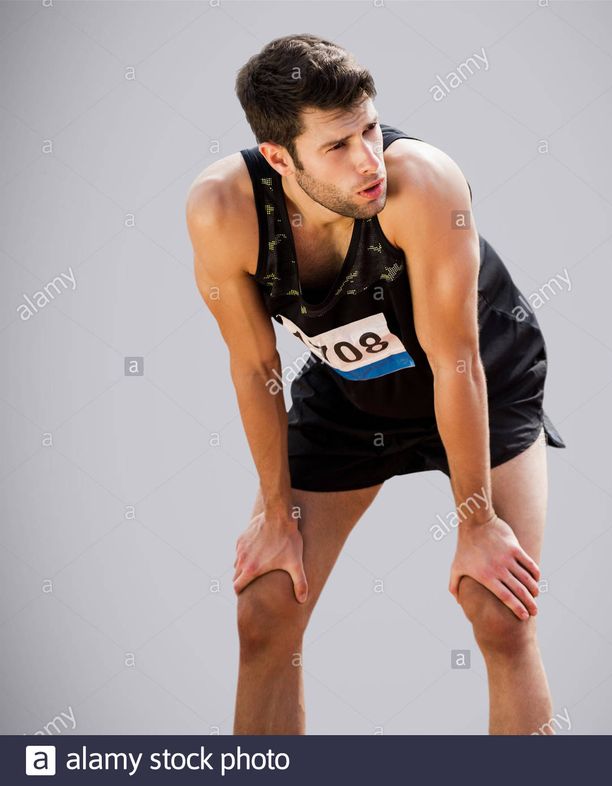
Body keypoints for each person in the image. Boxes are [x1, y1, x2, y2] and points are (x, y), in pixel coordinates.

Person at [185, 33, 567, 735]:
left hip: (479, 376)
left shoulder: (421, 183)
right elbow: (255, 367)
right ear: (278, 158)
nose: (368, 162)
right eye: (336, 146)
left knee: (499, 610)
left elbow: (456, 360)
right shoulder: (222, 211)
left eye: (369, 129)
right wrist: (274, 512)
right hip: (353, 392)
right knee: (265, 608)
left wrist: (476, 524)